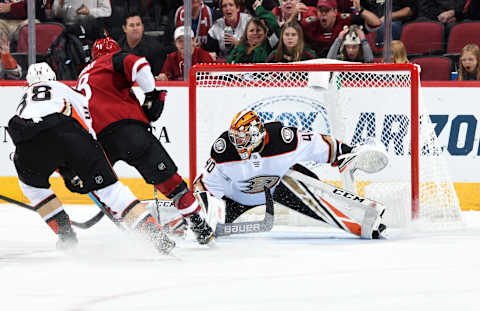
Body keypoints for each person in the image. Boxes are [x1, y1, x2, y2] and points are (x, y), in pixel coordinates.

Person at [7, 62, 175, 254]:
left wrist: (65, 167)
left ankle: (66, 235)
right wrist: (85, 163)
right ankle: (154, 234)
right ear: (53, 78)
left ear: (28, 83)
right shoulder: (65, 89)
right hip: (69, 134)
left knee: (33, 188)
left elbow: (33, 136)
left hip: (28, 145)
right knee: (111, 191)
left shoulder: (24, 98)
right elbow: (86, 124)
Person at [75, 37, 214, 245]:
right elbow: (139, 64)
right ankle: (199, 226)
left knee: (106, 187)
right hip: (130, 130)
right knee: (173, 185)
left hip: (100, 140)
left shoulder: (82, 77)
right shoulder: (111, 60)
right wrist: (151, 94)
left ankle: (146, 229)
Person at [193, 109, 388, 239]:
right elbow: (203, 185)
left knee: (317, 197)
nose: (237, 143)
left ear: (255, 134)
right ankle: (184, 221)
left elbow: (320, 144)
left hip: (280, 187)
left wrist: (345, 152)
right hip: (235, 197)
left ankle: (361, 219)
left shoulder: (284, 139)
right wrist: (203, 213)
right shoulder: (224, 151)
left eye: (242, 138)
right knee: (196, 228)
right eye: (235, 137)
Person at [304, 0, 381, 58]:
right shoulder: (311, 24)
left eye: (327, 10)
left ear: (335, 11)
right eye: (320, 11)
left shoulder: (344, 20)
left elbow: (376, 23)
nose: (323, 14)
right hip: (316, 64)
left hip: (342, 63)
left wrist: (360, 10)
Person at [118, 11, 175, 77]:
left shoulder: (156, 48)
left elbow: (158, 77)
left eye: (138, 25)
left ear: (143, 27)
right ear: (124, 28)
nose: (135, 28)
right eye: (131, 25)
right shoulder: (118, 48)